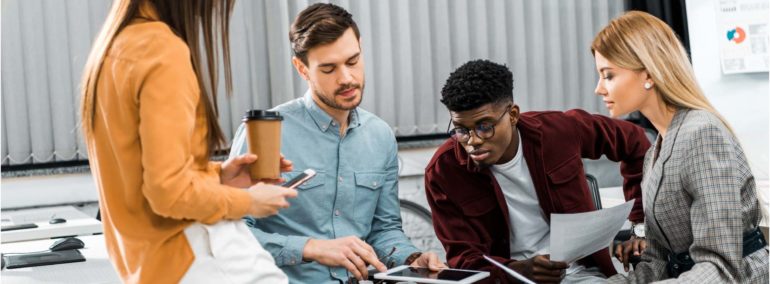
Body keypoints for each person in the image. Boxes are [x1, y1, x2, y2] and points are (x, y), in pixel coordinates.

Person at [80, 0, 297, 282]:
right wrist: (248, 201)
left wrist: (217, 176)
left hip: (149, 267)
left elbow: (144, 177)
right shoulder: (163, 49)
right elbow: (168, 191)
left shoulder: (113, 46)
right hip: (193, 257)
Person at [228, 3, 446, 283]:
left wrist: (412, 258)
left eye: (352, 61)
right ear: (302, 69)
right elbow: (233, 233)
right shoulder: (264, 133)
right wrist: (310, 248)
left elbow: (384, 230)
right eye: (329, 68)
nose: (346, 78)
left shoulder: (380, 137)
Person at [424, 59, 651, 284]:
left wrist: (639, 225)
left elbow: (635, 142)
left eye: (485, 126)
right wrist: (518, 271)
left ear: (513, 115)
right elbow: (464, 260)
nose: (472, 141)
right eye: (461, 130)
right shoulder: (443, 173)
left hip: (581, 275)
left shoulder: (557, 132)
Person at [592, 11, 768, 283]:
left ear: (648, 74)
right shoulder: (655, 152)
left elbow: (720, 268)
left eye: (608, 75)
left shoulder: (702, 134)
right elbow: (659, 261)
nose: (599, 89)